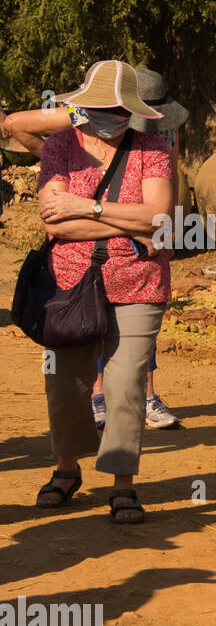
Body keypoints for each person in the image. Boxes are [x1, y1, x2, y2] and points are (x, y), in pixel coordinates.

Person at [4, 69, 188, 429]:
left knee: (134, 336)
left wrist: (161, 223)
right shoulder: (74, 127)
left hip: (141, 251)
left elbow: (169, 188)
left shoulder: (160, 137)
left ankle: (146, 395)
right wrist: (65, 143)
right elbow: (16, 126)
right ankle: (98, 394)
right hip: (90, 250)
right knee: (86, 323)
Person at [32, 60, 173, 524]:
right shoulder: (59, 147)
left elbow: (159, 218)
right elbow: (53, 221)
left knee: (126, 384)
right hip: (69, 284)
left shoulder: (153, 149)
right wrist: (125, 220)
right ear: (83, 106)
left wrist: (86, 205)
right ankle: (67, 468)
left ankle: (122, 483)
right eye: (98, 106)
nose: (107, 113)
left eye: (116, 107)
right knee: (66, 384)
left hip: (138, 282)